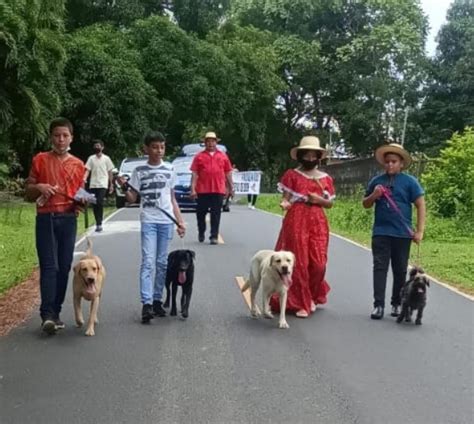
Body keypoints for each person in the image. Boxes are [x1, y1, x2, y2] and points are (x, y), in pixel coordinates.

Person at [116, 131, 186, 324]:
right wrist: (124, 187)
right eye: (154, 147)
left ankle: (157, 299)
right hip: (148, 219)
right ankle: (146, 303)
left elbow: (172, 199)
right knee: (148, 261)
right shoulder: (139, 171)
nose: (159, 151)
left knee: (162, 262)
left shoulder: (170, 169)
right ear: (146, 149)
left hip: (166, 221)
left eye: (162, 147)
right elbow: (132, 199)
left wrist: (179, 221)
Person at [25, 117, 86, 334]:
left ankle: (56, 312)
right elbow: (28, 192)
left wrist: (83, 201)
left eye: (65, 135)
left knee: (64, 267)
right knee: (49, 267)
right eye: (57, 135)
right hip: (46, 219)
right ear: (51, 137)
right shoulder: (40, 159)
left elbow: (81, 195)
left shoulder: (79, 165)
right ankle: (47, 315)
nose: (61, 140)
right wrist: (40, 186)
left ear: (71, 138)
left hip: (68, 219)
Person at [269, 136, 335, 318]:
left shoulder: (326, 179)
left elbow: (329, 204)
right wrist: (284, 203)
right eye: (307, 155)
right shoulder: (292, 175)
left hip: (318, 221)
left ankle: (312, 295)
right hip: (296, 219)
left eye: (314, 156)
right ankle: (301, 302)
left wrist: (318, 200)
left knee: (319, 264)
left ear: (319, 157)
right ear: (301, 156)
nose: (311, 159)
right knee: (300, 263)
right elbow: (287, 197)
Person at [363, 143, 425, 320]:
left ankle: (397, 302)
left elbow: (420, 205)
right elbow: (365, 204)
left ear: (401, 163)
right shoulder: (376, 181)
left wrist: (419, 231)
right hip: (381, 232)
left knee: (400, 270)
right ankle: (378, 305)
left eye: (394, 161)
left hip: (402, 233)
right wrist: (374, 195)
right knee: (380, 268)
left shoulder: (410, 182)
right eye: (387, 161)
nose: (390, 165)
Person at [190, 131, 233, 245]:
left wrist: (231, 188)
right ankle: (201, 230)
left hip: (218, 189)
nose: (210, 144)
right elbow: (194, 174)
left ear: (216, 142)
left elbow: (228, 172)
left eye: (212, 141)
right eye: (208, 141)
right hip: (203, 189)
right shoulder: (199, 156)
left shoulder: (223, 156)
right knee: (201, 213)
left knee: (216, 214)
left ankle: (214, 236)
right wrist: (193, 189)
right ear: (205, 143)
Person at [83, 140, 115, 232]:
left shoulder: (106, 159)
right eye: (95, 146)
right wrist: (84, 178)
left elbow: (110, 172)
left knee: (99, 202)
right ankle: (97, 222)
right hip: (93, 184)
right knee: (94, 204)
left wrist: (111, 184)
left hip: (103, 184)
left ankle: (100, 222)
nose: (97, 147)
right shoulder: (91, 158)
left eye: (98, 146)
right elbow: (88, 170)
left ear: (102, 147)